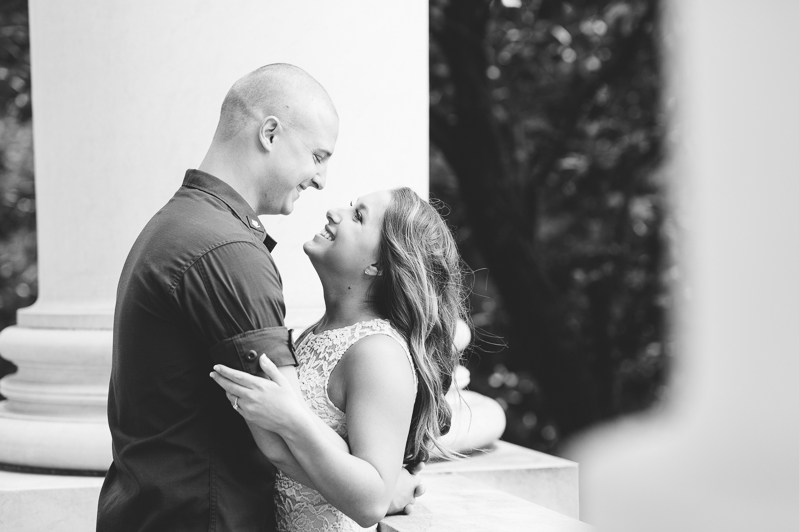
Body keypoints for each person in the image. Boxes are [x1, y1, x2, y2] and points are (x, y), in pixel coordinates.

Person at [97, 64, 422, 532]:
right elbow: (279, 439)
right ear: (270, 133)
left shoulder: (179, 223)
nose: (321, 181)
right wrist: (384, 489)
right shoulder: (230, 252)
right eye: (317, 155)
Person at [210, 187, 467, 531]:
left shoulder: (379, 353)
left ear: (379, 265)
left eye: (358, 216)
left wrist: (290, 418)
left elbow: (372, 501)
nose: (334, 212)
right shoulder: (307, 337)